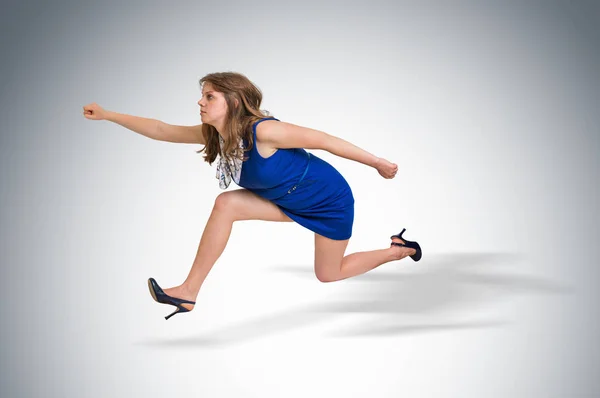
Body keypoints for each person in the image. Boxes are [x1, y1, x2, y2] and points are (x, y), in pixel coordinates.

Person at [83, 71, 422, 320]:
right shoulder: (215, 135)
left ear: (232, 102)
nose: (200, 102)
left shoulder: (264, 131)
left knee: (328, 274)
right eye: (202, 95)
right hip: (287, 200)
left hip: (327, 200)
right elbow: (161, 129)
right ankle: (188, 293)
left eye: (209, 96)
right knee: (226, 204)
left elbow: (324, 139)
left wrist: (377, 163)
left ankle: (399, 251)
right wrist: (108, 115)